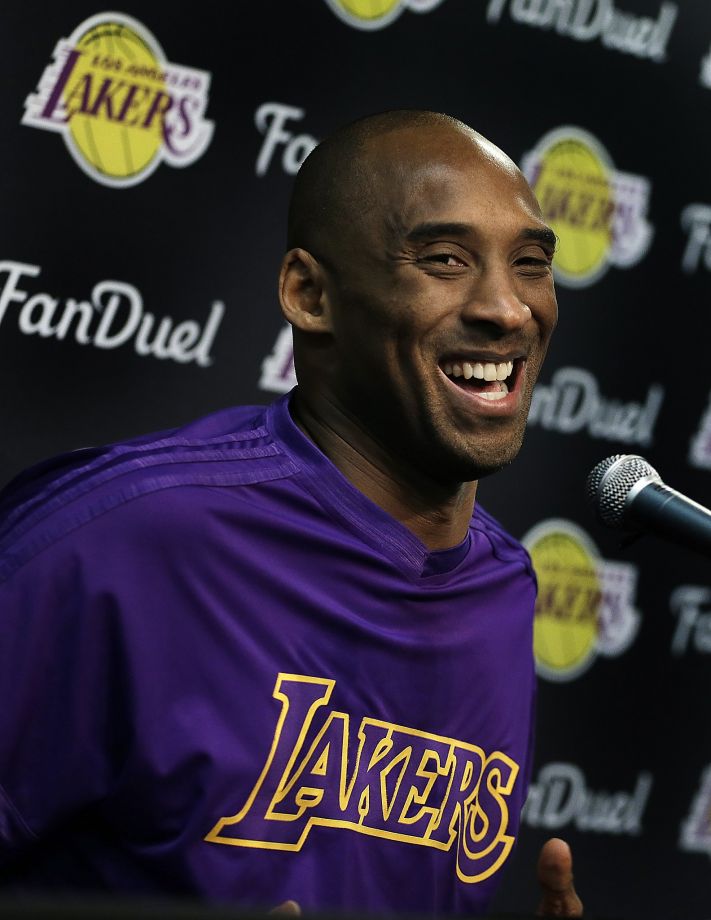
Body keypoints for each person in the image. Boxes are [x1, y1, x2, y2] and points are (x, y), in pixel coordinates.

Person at [0, 109, 582, 918]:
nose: (508, 309)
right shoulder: (115, 537)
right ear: (309, 295)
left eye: (529, 264)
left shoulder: (504, 585)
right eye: (444, 260)